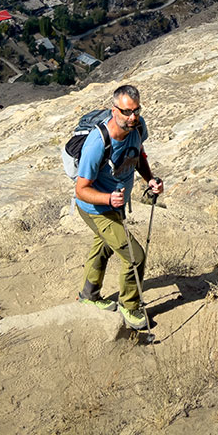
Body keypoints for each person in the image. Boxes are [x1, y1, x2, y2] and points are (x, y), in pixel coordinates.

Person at [73, 83, 164, 331]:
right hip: (95, 207)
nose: (132, 117)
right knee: (135, 256)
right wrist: (107, 200)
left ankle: (88, 296)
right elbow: (81, 189)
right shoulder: (97, 143)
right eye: (126, 111)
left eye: (136, 110)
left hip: (115, 202)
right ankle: (129, 306)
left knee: (104, 246)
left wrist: (151, 179)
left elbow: (138, 154)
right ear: (114, 110)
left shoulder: (137, 127)